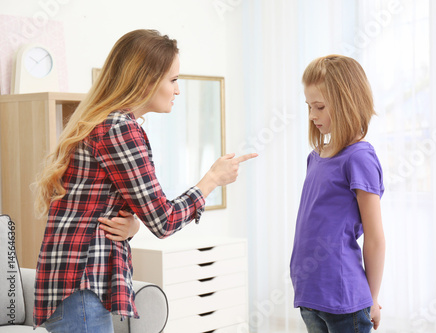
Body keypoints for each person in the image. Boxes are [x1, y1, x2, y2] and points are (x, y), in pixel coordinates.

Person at [33, 29, 257, 332]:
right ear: (145, 79)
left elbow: (100, 208)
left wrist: (133, 225)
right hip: (83, 285)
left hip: (75, 284)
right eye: (173, 80)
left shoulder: (105, 122)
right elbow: (163, 220)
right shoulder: (118, 128)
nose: (177, 91)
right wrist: (212, 179)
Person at [290, 55, 385, 332]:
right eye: (308, 106)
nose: (311, 115)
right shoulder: (315, 157)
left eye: (319, 106)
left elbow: (375, 237)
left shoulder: (359, 158)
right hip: (310, 295)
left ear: (347, 104)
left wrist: (373, 298)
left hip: (345, 298)